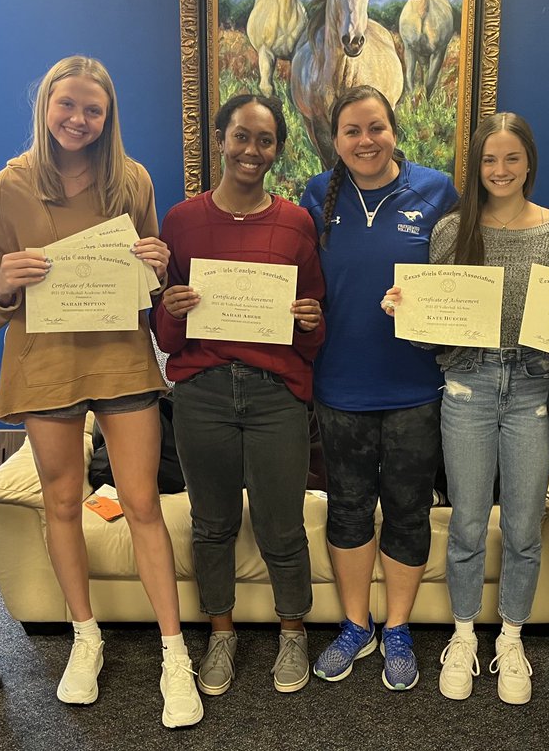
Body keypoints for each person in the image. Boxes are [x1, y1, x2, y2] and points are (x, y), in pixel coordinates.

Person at [0, 56, 202, 727]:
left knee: (140, 502)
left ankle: (173, 650)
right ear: (46, 105)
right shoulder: (0, 191)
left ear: (109, 118)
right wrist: (7, 282)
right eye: (67, 105)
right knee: (64, 501)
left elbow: (151, 284)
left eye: (93, 110)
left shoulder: (130, 179)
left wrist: (158, 263)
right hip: (44, 363)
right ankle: (85, 635)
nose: (79, 119)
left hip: (121, 357)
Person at [381, 112, 549, 704]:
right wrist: (405, 314)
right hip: (466, 386)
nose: (501, 170)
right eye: (489, 160)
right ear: (476, 166)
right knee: (466, 523)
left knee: (522, 527)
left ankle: (510, 637)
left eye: (512, 158)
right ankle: (464, 634)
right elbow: (435, 334)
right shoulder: (452, 231)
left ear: (529, 162)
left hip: (534, 388)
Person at [155, 93, 325, 696]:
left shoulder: (297, 223)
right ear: (221, 139)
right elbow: (167, 332)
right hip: (202, 392)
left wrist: (309, 321)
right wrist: (171, 310)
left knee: (283, 525)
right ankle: (221, 632)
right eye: (242, 137)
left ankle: (293, 632)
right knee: (213, 524)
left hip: (276, 393)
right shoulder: (181, 220)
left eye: (265, 140)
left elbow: (314, 325)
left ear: (277, 149)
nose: (252, 150)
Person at [300, 85, 458, 690]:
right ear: (334, 140)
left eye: (375, 128)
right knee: (347, 509)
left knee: (409, 512)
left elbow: (461, 279)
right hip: (338, 386)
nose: (365, 141)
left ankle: (396, 628)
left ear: (394, 130)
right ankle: (355, 625)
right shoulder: (318, 195)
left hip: (418, 387)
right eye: (351, 131)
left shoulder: (437, 190)